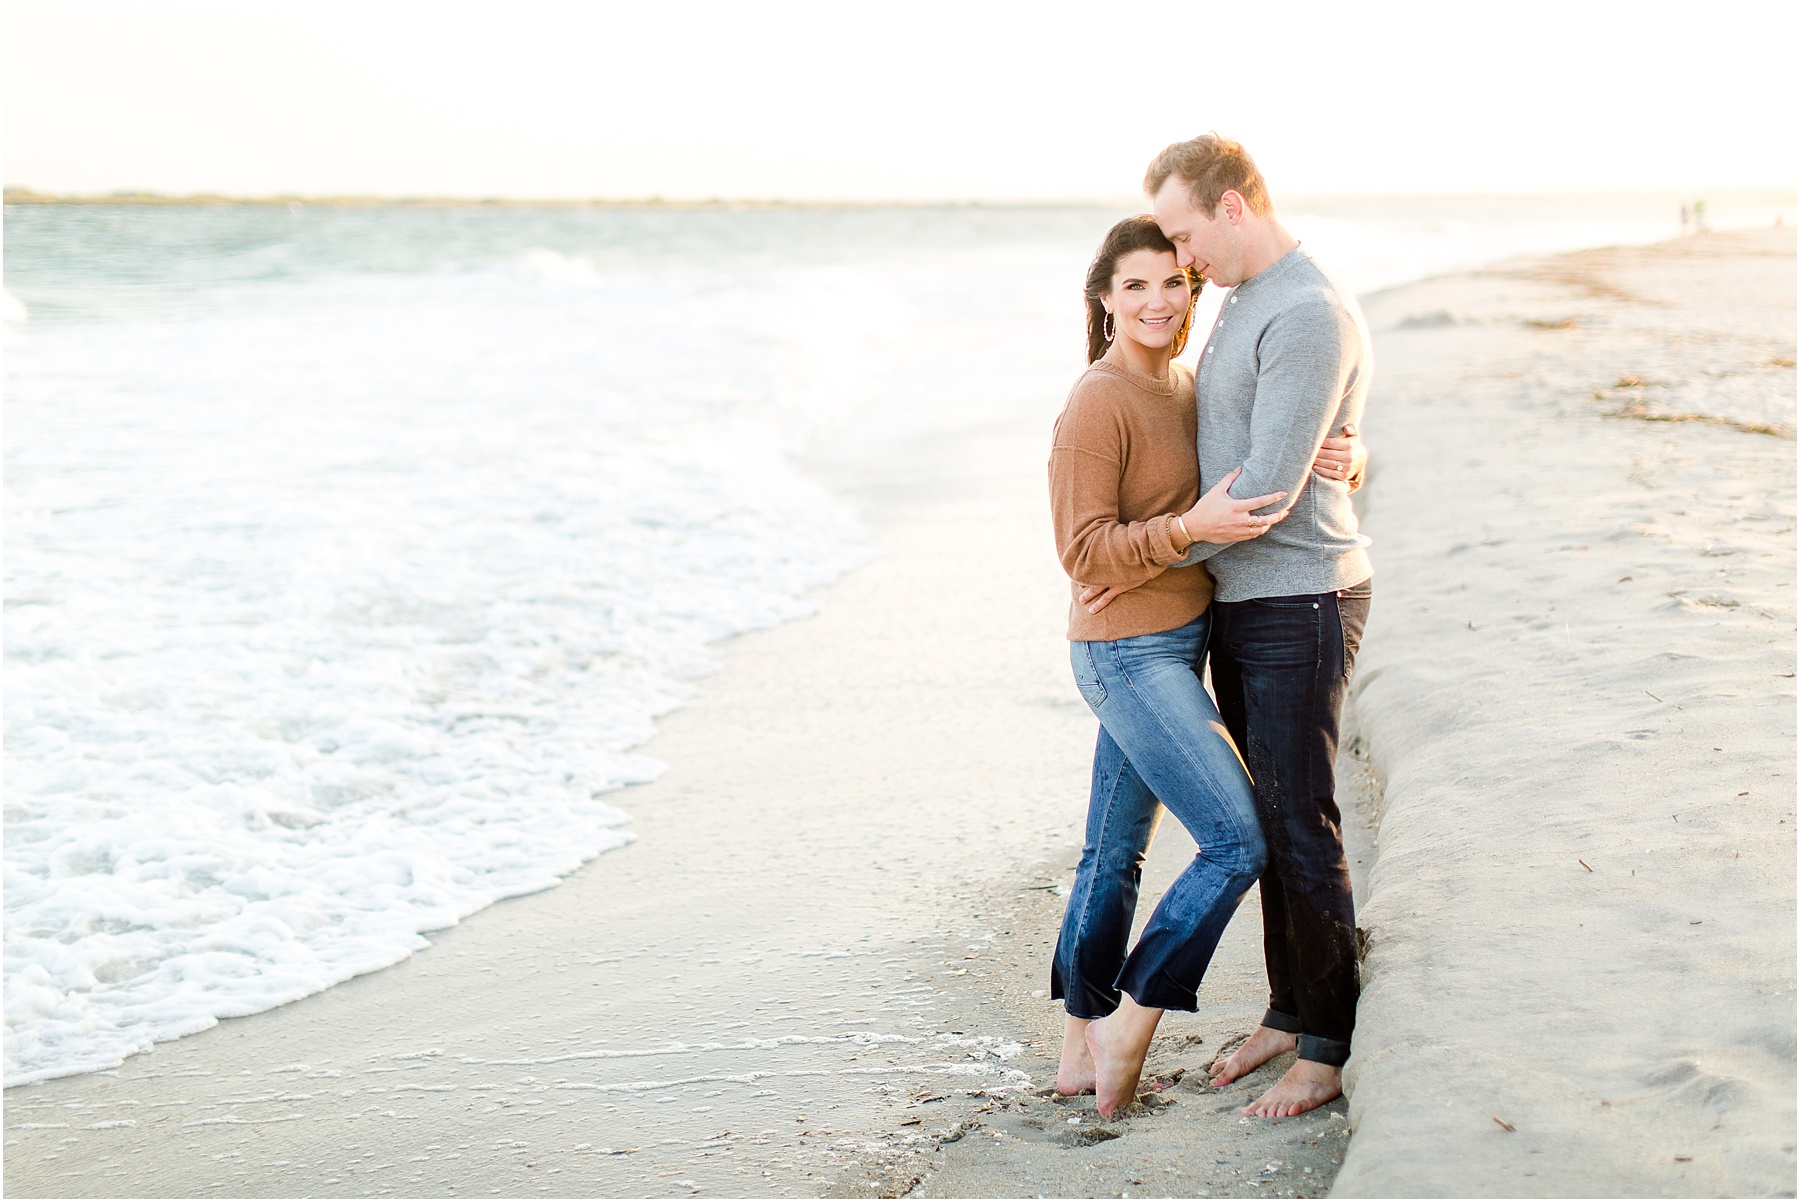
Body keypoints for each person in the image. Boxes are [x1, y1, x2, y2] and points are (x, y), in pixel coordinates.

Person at [1083, 133, 1374, 1119]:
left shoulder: (1304, 311)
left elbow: (1268, 487)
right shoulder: (1250, 301)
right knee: (1275, 821)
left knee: (1298, 822)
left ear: (1233, 206)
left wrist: (1144, 549)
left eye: (1182, 231)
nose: (1179, 259)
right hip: (1250, 602)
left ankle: (1325, 1044)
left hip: (1299, 597)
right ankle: (1289, 1010)